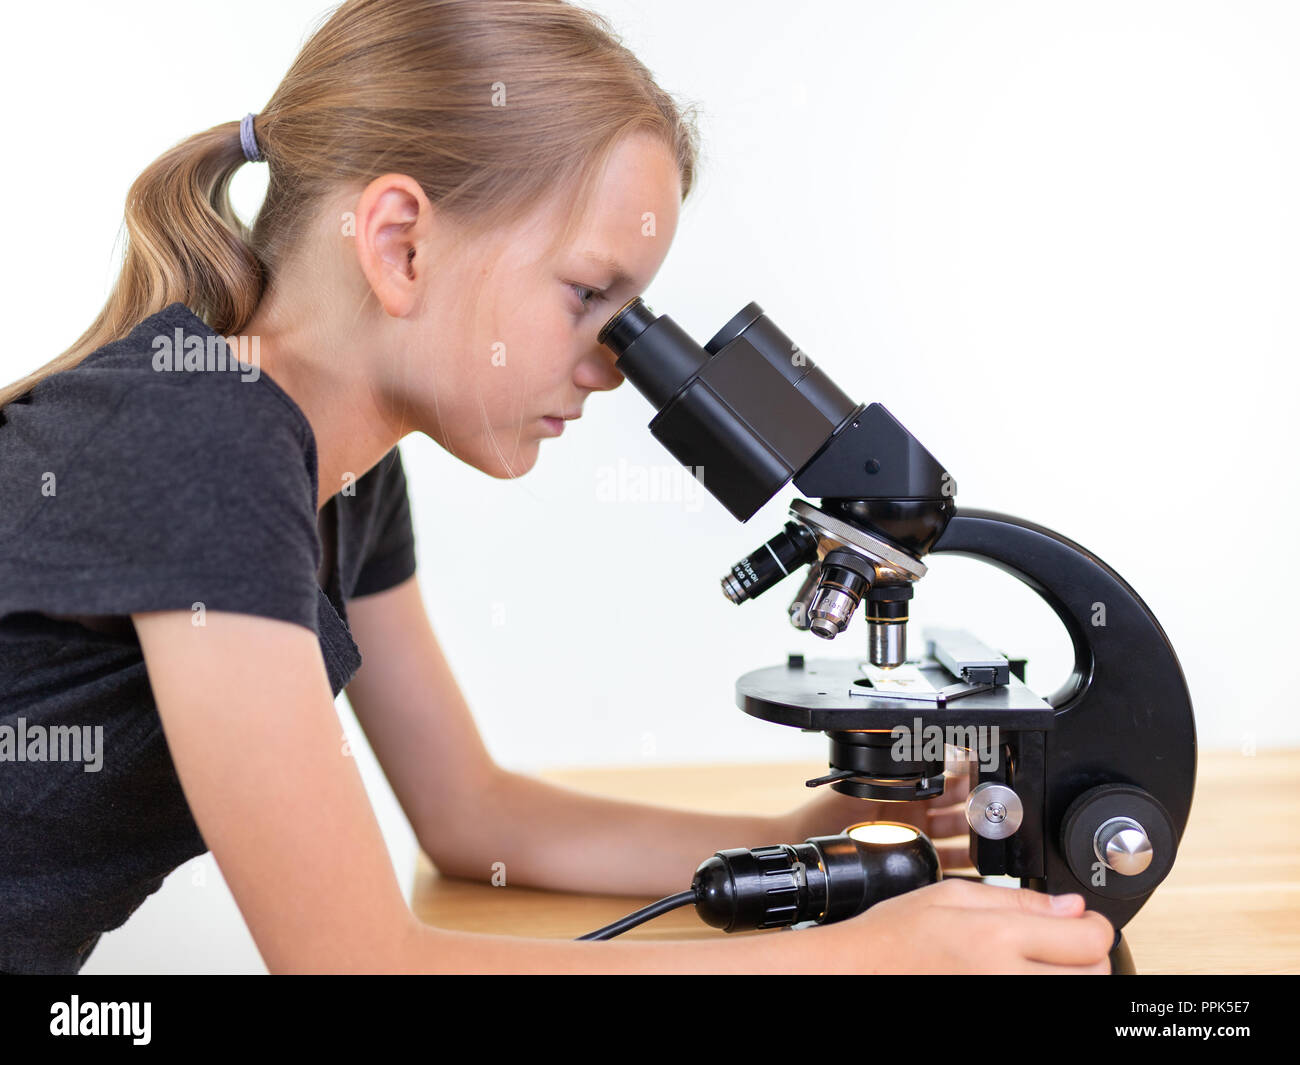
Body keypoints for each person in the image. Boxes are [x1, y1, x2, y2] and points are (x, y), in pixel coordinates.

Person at [0, 0, 1113, 974]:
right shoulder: (205, 444)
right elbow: (353, 965)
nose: (613, 365)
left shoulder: (339, 477)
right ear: (399, 245)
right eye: (588, 295)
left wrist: (797, 836)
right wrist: (863, 963)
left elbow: (470, 818)